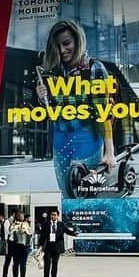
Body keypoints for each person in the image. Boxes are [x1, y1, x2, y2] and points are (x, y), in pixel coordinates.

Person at [35, 19, 117, 198]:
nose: (63, 50)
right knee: (67, 199)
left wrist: (109, 152)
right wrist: (43, 98)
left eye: (66, 43)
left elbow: (105, 113)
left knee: (83, 200)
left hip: (87, 141)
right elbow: (52, 111)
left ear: (78, 41)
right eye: (58, 46)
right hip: (59, 143)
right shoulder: (53, 72)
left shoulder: (95, 69)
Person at [41, 208, 77, 277]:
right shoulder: (46, 224)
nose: (53, 216)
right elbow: (42, 236)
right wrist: (40, 246)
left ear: (57, 216)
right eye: (52, 215)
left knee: (55, 263)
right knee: (47, 264)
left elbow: (67, 231)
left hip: (57, 246)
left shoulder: (61, 224)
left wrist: (74, 233)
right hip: (48, 246)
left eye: (55, 215)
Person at [7, 211, 31, 277]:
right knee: (22, 263)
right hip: (23, 246)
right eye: (21, 216)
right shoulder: (25, 224)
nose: (22, 217)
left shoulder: (12, 225)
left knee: (16, 263)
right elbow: (29, 233)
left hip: (15, 246)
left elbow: (10, 234)